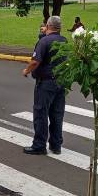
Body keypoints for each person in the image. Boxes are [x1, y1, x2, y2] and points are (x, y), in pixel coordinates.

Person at [22, 16, 67, 155]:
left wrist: (26, 70)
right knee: (57, 114)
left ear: (48, 25)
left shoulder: (44, 41)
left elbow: (35, 61)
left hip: (46, 83)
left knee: (41, 113)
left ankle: (39, 145)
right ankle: (56, 145)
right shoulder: (64, 40)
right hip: (61, 82)